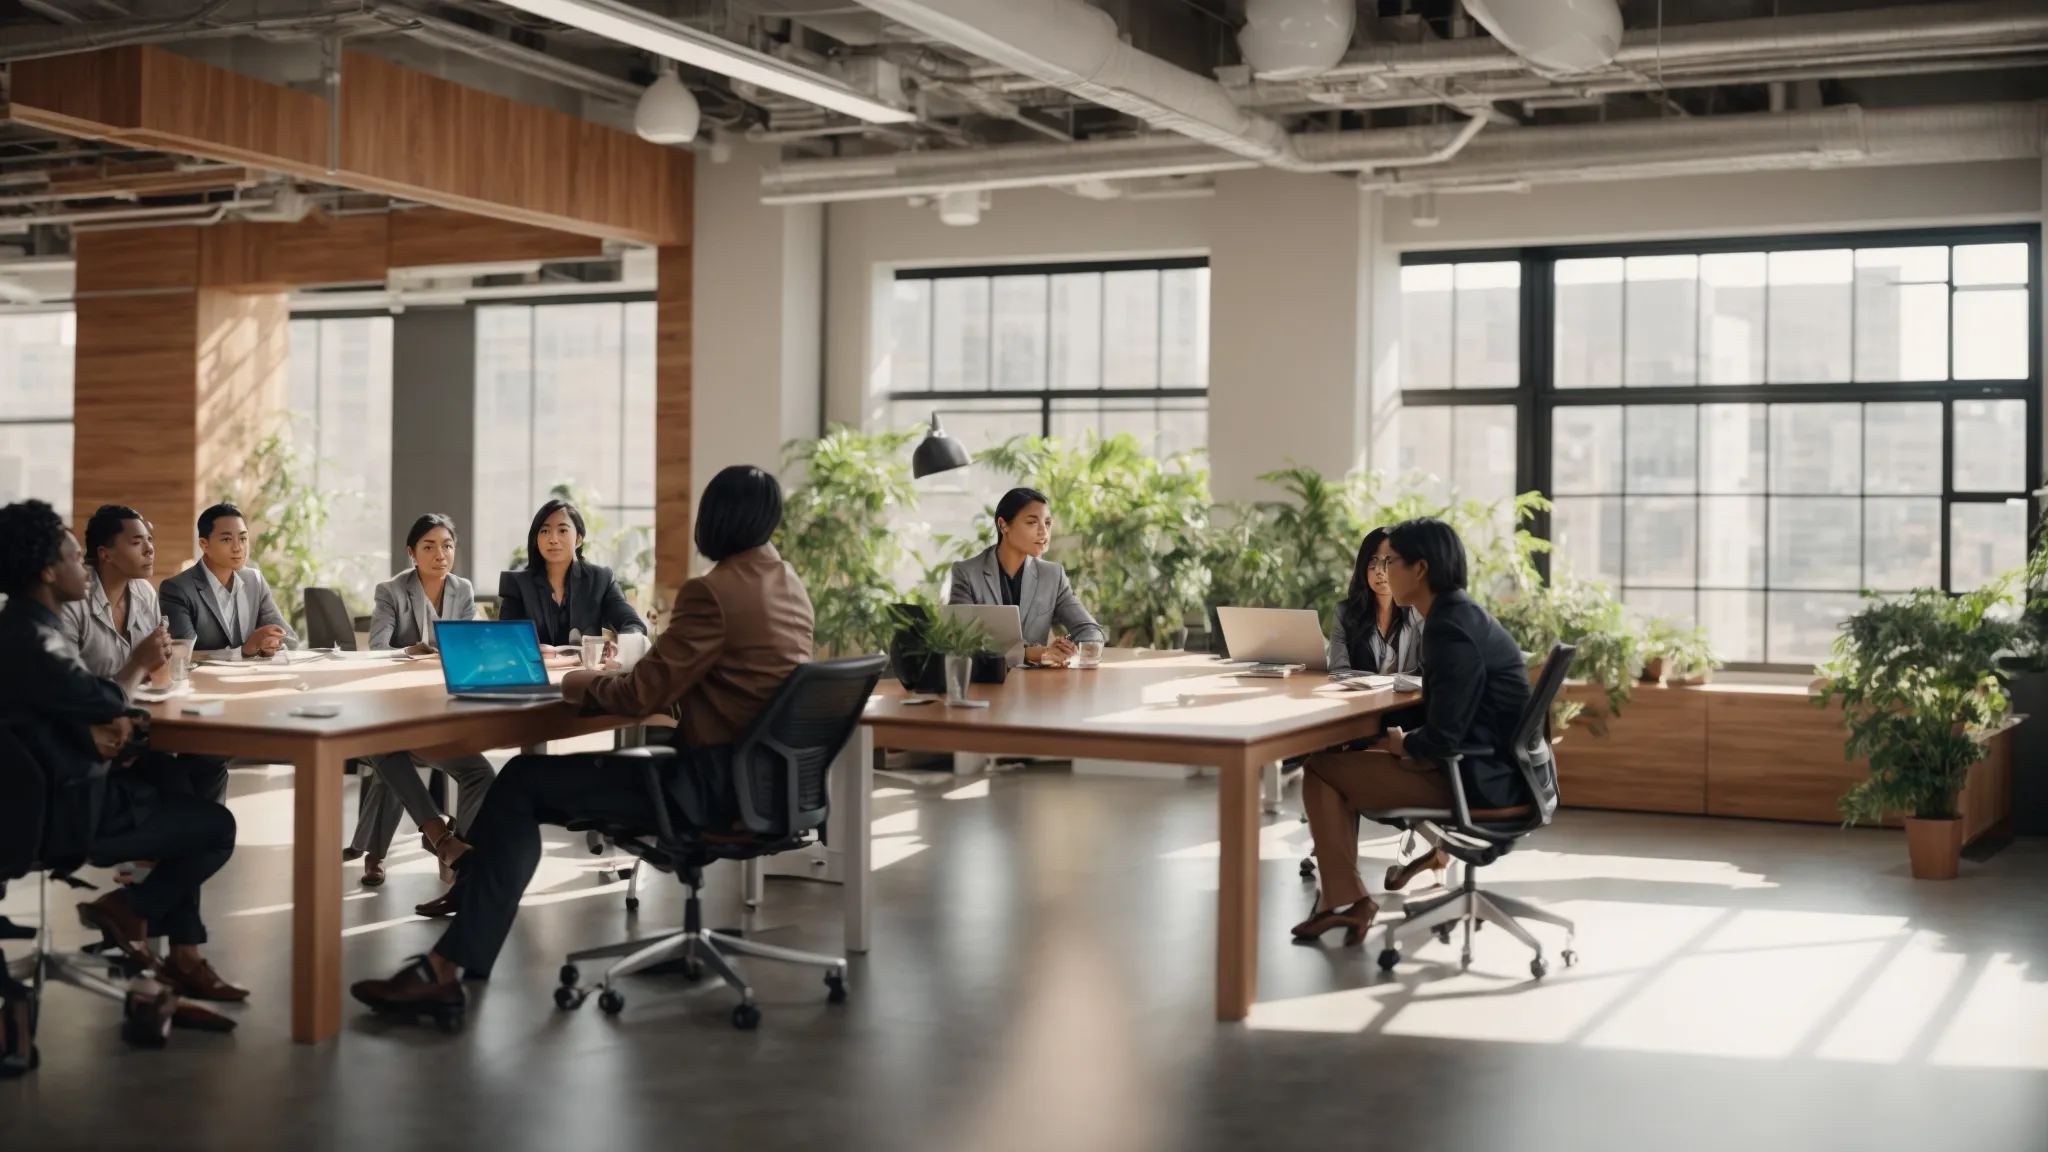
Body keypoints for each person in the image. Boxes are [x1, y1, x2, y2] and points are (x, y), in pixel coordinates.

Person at [350, 466, 814, 1024]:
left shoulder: (711, 594)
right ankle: (458, 931)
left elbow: (641, 691)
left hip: (706, 788)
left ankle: (447, 969)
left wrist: (572, 682)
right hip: (767, 788)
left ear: (716, 520)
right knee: (530, 779)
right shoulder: (790, 586)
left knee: (521, 783)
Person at [0, 500, 248, 1017]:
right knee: (215, 826)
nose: (83, 567)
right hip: (66, 811)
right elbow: (107, 700)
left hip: (45, 794)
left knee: (177, 774)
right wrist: (136, 665)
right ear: (49, 571)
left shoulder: (18, 630)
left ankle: (180, 952)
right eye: (75, 557)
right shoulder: (38, 641)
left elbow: (90, 711)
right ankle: (129, 910)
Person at [1292, 517, 1533, 947]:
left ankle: (1346, 903)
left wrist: (1404, 743)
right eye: (1377, 562)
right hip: (1499, 775)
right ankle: (1345, 900)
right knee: (1339, 764)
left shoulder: (1446, 628)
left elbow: (1445, 737)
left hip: (1475, 783)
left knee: (1322, 769)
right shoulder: (1463, 615)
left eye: (1392, 561)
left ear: (1419, 569)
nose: (1383, 571)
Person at [346, 514, 496, 909]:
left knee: (478, 771)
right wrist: (408, 652)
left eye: (447, 545)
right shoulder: (392, 591)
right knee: (385, 746)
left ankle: (460, 853)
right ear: (412, 553)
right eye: (429, 546)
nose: (440, 554)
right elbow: (376, 651)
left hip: (439, 710)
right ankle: (439, 839)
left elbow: (469, 648)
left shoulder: (462, 590)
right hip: (390, 708)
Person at [60, 505, 228, 804]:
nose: (150, 549)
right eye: (137, 542)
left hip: (143, 723)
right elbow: (73, 698)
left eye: (150, 540)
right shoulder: (73, 604)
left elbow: (156, 672)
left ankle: (188, 835)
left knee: (210, 759)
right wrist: (141, 661)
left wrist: (164, 658)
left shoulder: (144, 592)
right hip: (94, 736)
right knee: (180, 789)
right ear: (105, 554)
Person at [947, 487, 1104, 666]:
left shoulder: (1052, 576)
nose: (1044, 533)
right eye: (1032, 523)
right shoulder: (967, 573)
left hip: (1036, 686)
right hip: (986, 682)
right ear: (1003, 525)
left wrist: (1070, 647)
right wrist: (1031, 653)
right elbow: (959, 640)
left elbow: (1089, 629)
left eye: (1047, 523)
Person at [497, 498, 647, 653]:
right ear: (536, 540)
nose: (553, 540)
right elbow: (506, 638)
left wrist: (623, 644)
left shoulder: (600, 580)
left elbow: (632, 623)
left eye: (562, 530)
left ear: (579, 539)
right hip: (535, 672)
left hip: (583, 674)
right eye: (544, 531)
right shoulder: (517, 584)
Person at [159, 502, 298, 657]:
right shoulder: (177, 589)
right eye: (226, 540)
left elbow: (290, 640)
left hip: (253, 678)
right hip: (203, 680)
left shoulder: (254, 581)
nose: (238, 547)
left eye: (243, 538)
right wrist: (243, 651)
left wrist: (271, 644)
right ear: (204, 544)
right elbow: (182, 655)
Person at [1327, 527, 1425, 678]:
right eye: (1373, 562)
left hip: (1408, 700)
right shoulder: (1345, 613)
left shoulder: (1418, 611)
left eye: (1388, 561)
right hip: (1361, 699)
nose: (1379, 570)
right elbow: (1338, 670)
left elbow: (1432, 669)